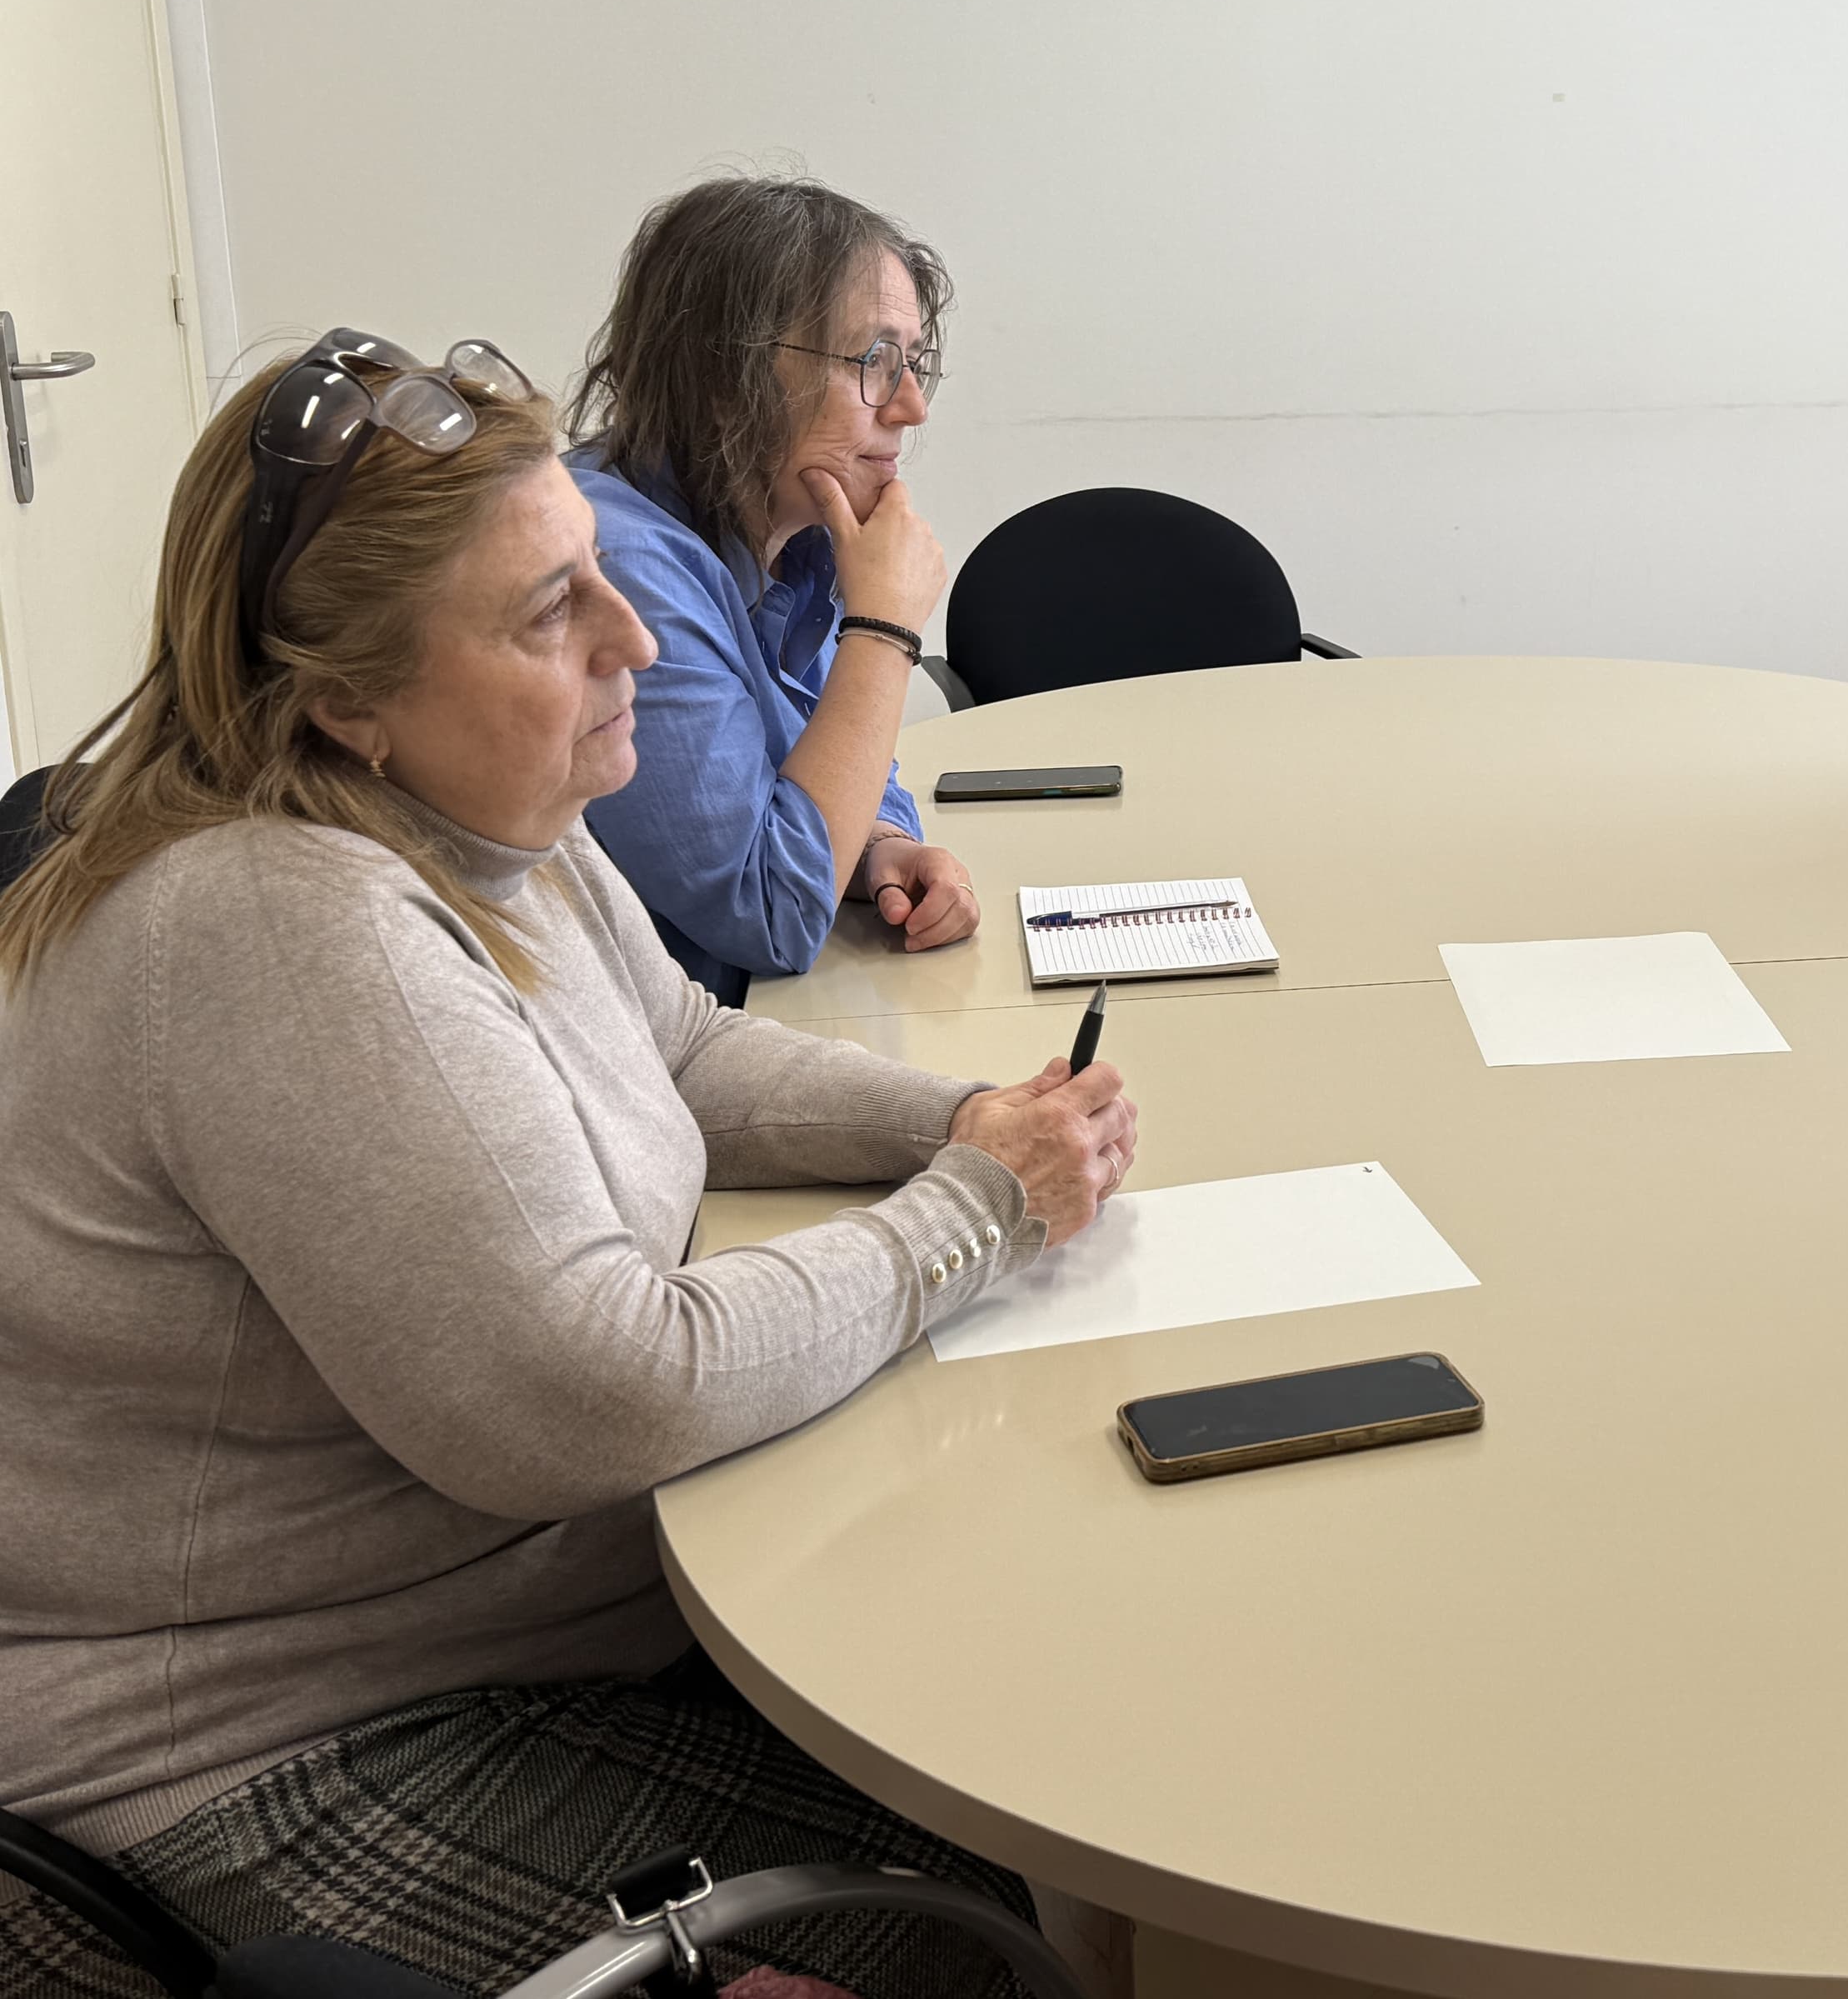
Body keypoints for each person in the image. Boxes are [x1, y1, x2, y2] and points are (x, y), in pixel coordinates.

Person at [0, 336, 1136, 1996]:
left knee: (1014, 1751)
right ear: (343, 699)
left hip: (498, 1622)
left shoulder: (477, 812)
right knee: (966, 1933)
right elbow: (602, 1387)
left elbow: (679, 1051)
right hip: (256, 1740)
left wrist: (969, 1118)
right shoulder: (281, 923)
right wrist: (978, 1210)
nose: (638, 640)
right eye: (552, 613)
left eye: (600, 569)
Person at [565, 174, 976, 1004]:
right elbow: (772, 912)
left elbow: (827, 757)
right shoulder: (621, 566)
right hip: (671, 1061)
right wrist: (885, 631)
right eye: (874, 361)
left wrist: (879, 844)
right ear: (728, 379)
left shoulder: (792, 529)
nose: (911, 407)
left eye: (913, 362)